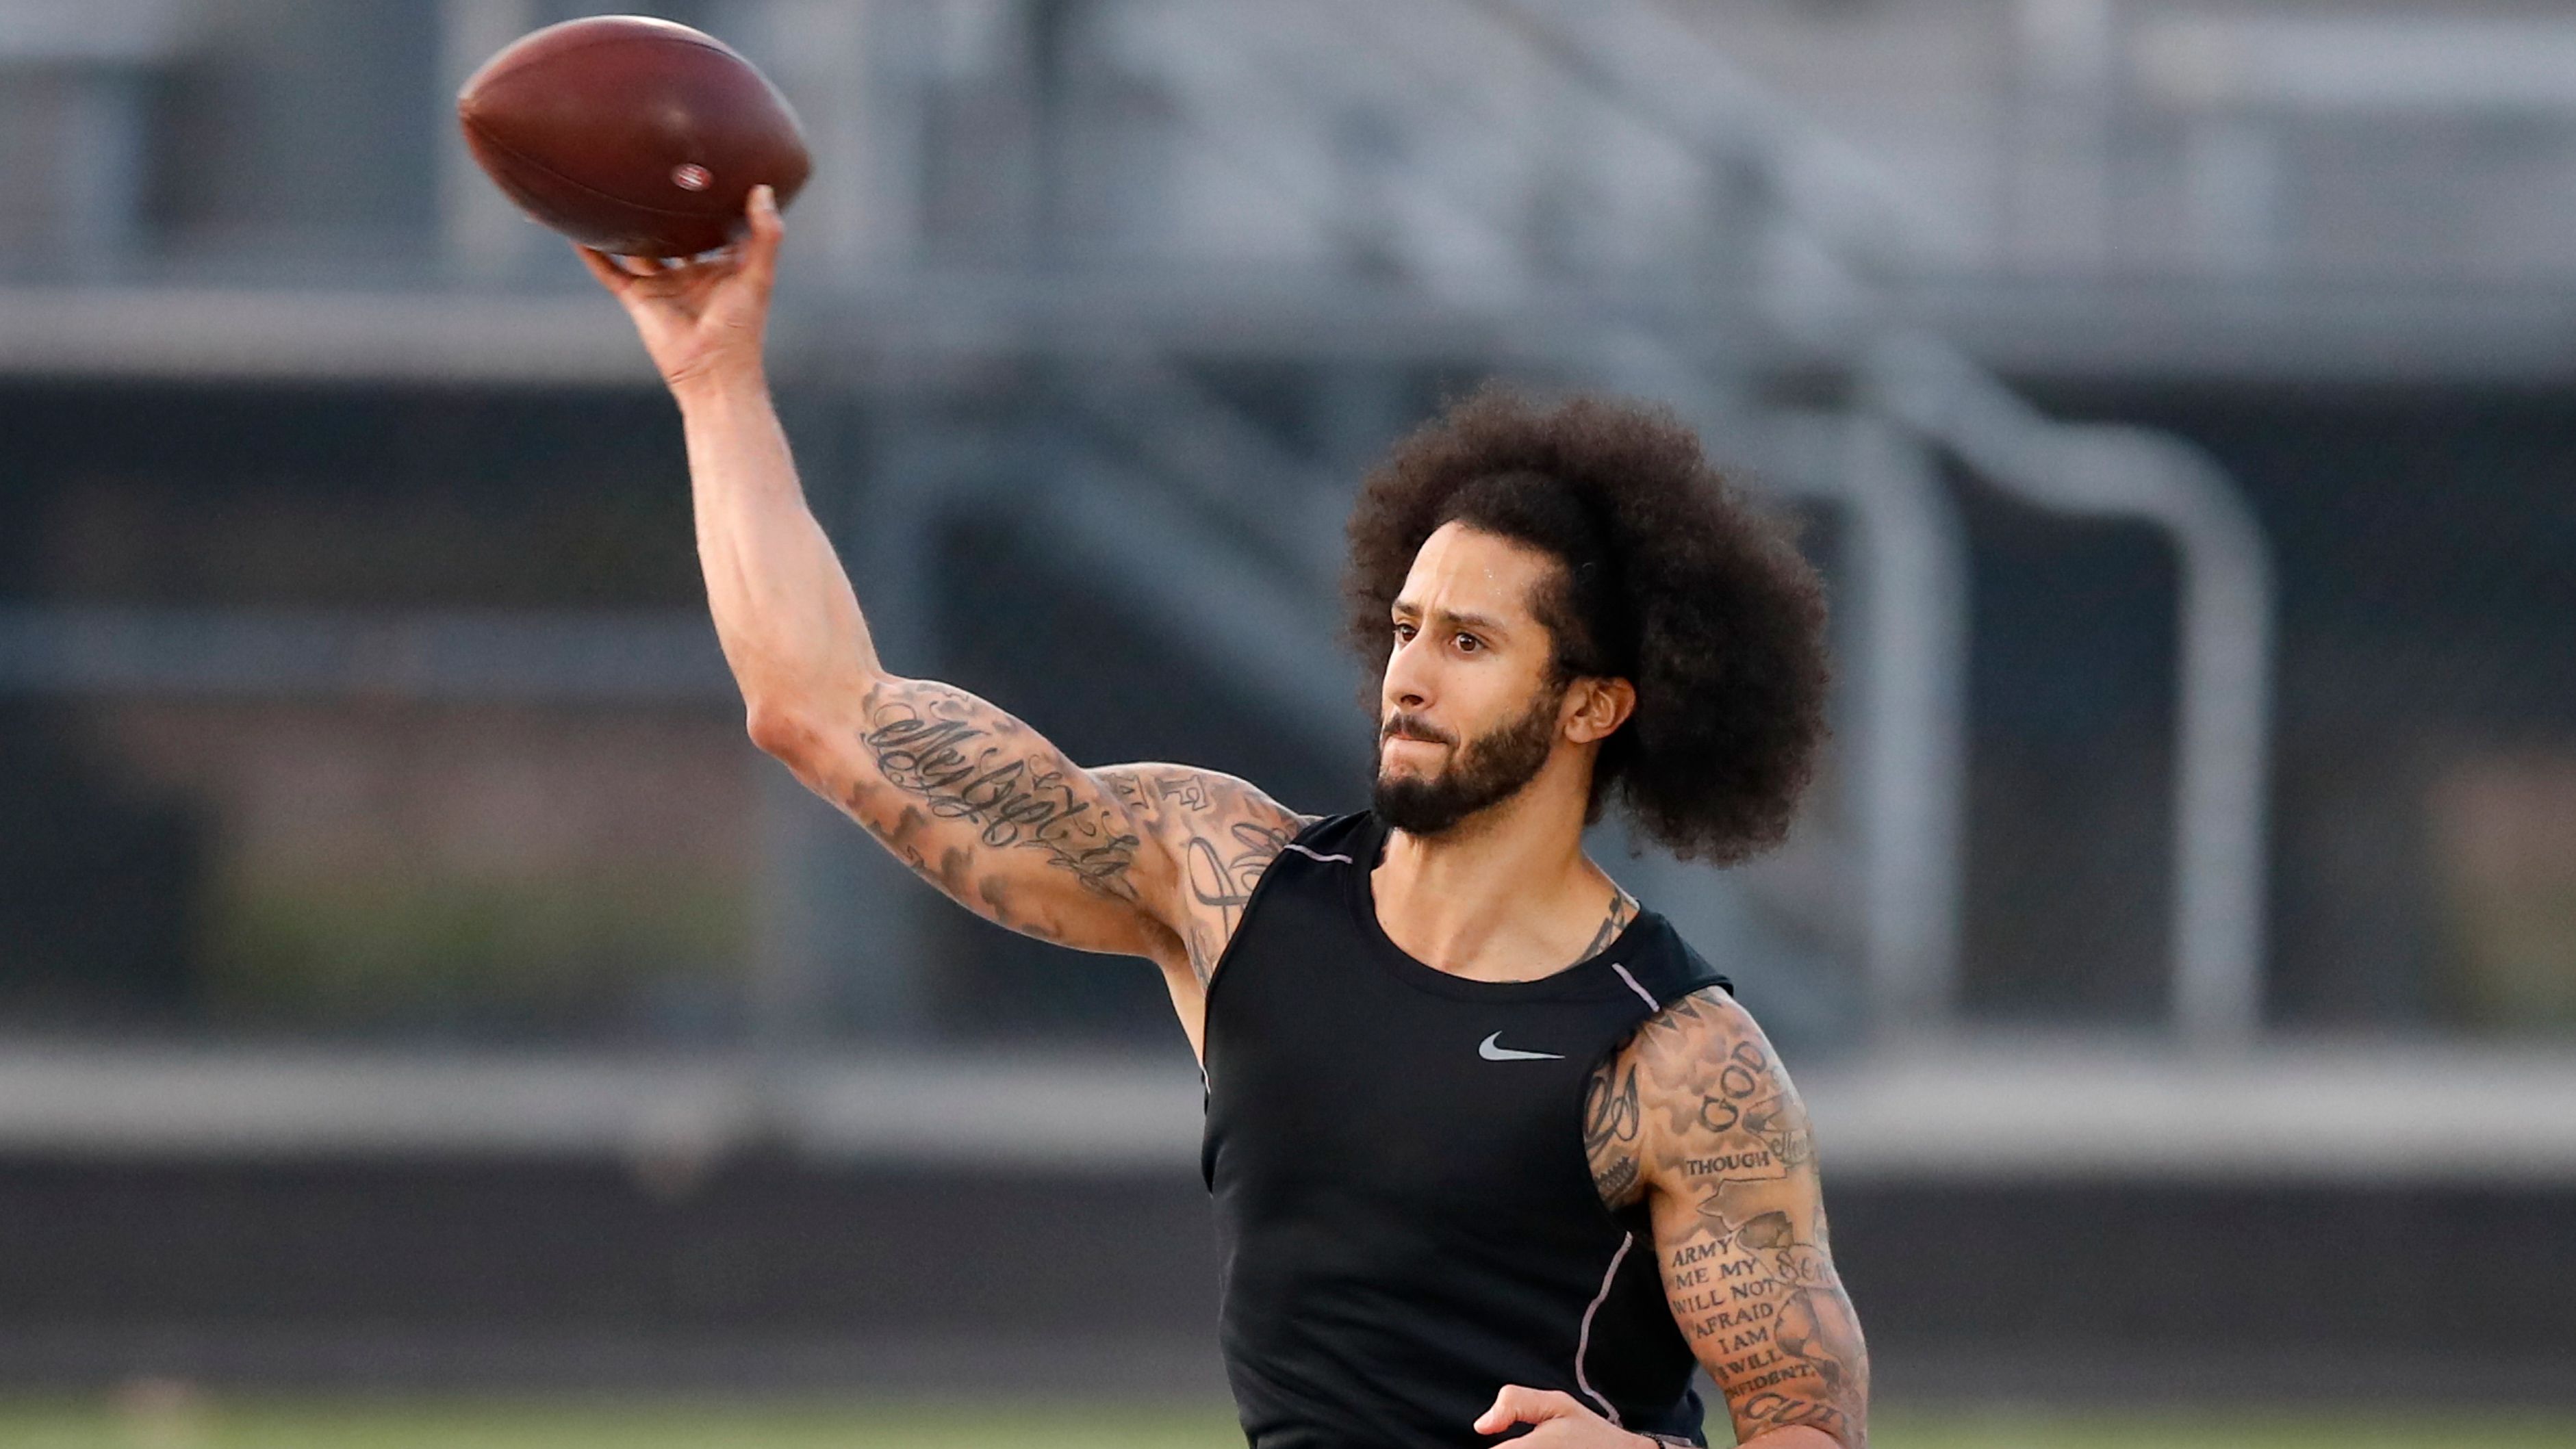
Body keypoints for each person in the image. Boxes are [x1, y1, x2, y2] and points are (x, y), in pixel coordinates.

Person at [580, 186, 1866, 1449]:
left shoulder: (1685, 1060)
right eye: (1406, 626)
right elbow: (817, 706)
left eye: (1470, 641)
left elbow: (1814, 1424)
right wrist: (717, 384)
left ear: (1592, 707)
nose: (1408, 672)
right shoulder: (1231, 885)